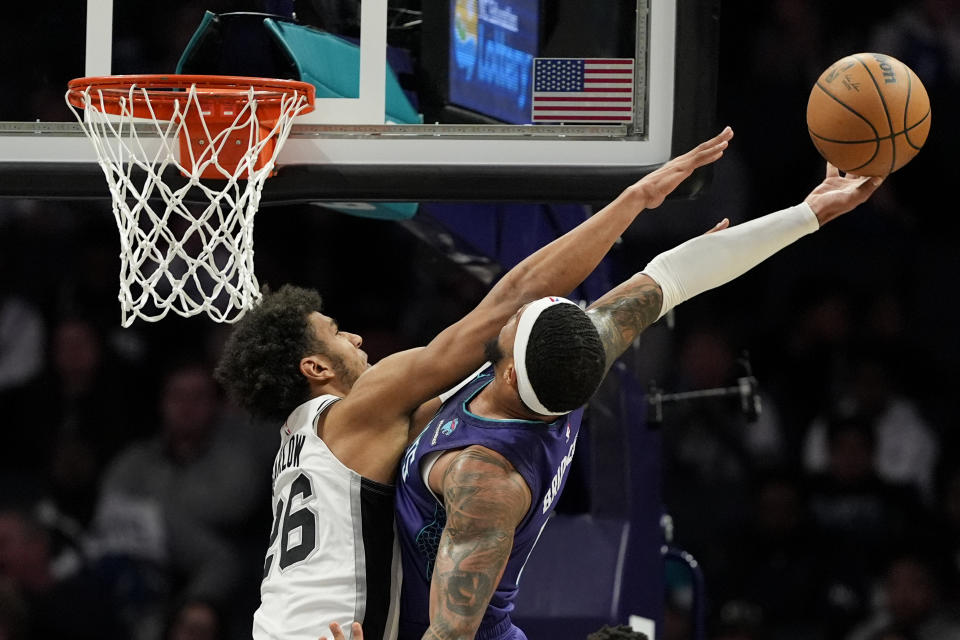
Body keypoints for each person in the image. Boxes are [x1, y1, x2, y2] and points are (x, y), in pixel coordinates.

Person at [213, 127, 736, 640]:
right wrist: (633, 200)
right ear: (316, 369)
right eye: (334, 333)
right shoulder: (362, 409)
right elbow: (512, 300)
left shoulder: (305, 442)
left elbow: (500, 372)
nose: (353, 335)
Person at [393, 162, 884, 640]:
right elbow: (673, 276)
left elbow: (452, 632)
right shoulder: (569, 366)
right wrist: (809, 212)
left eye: (520, 318)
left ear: (508, 372)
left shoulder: (486, 481)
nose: (516, 307)